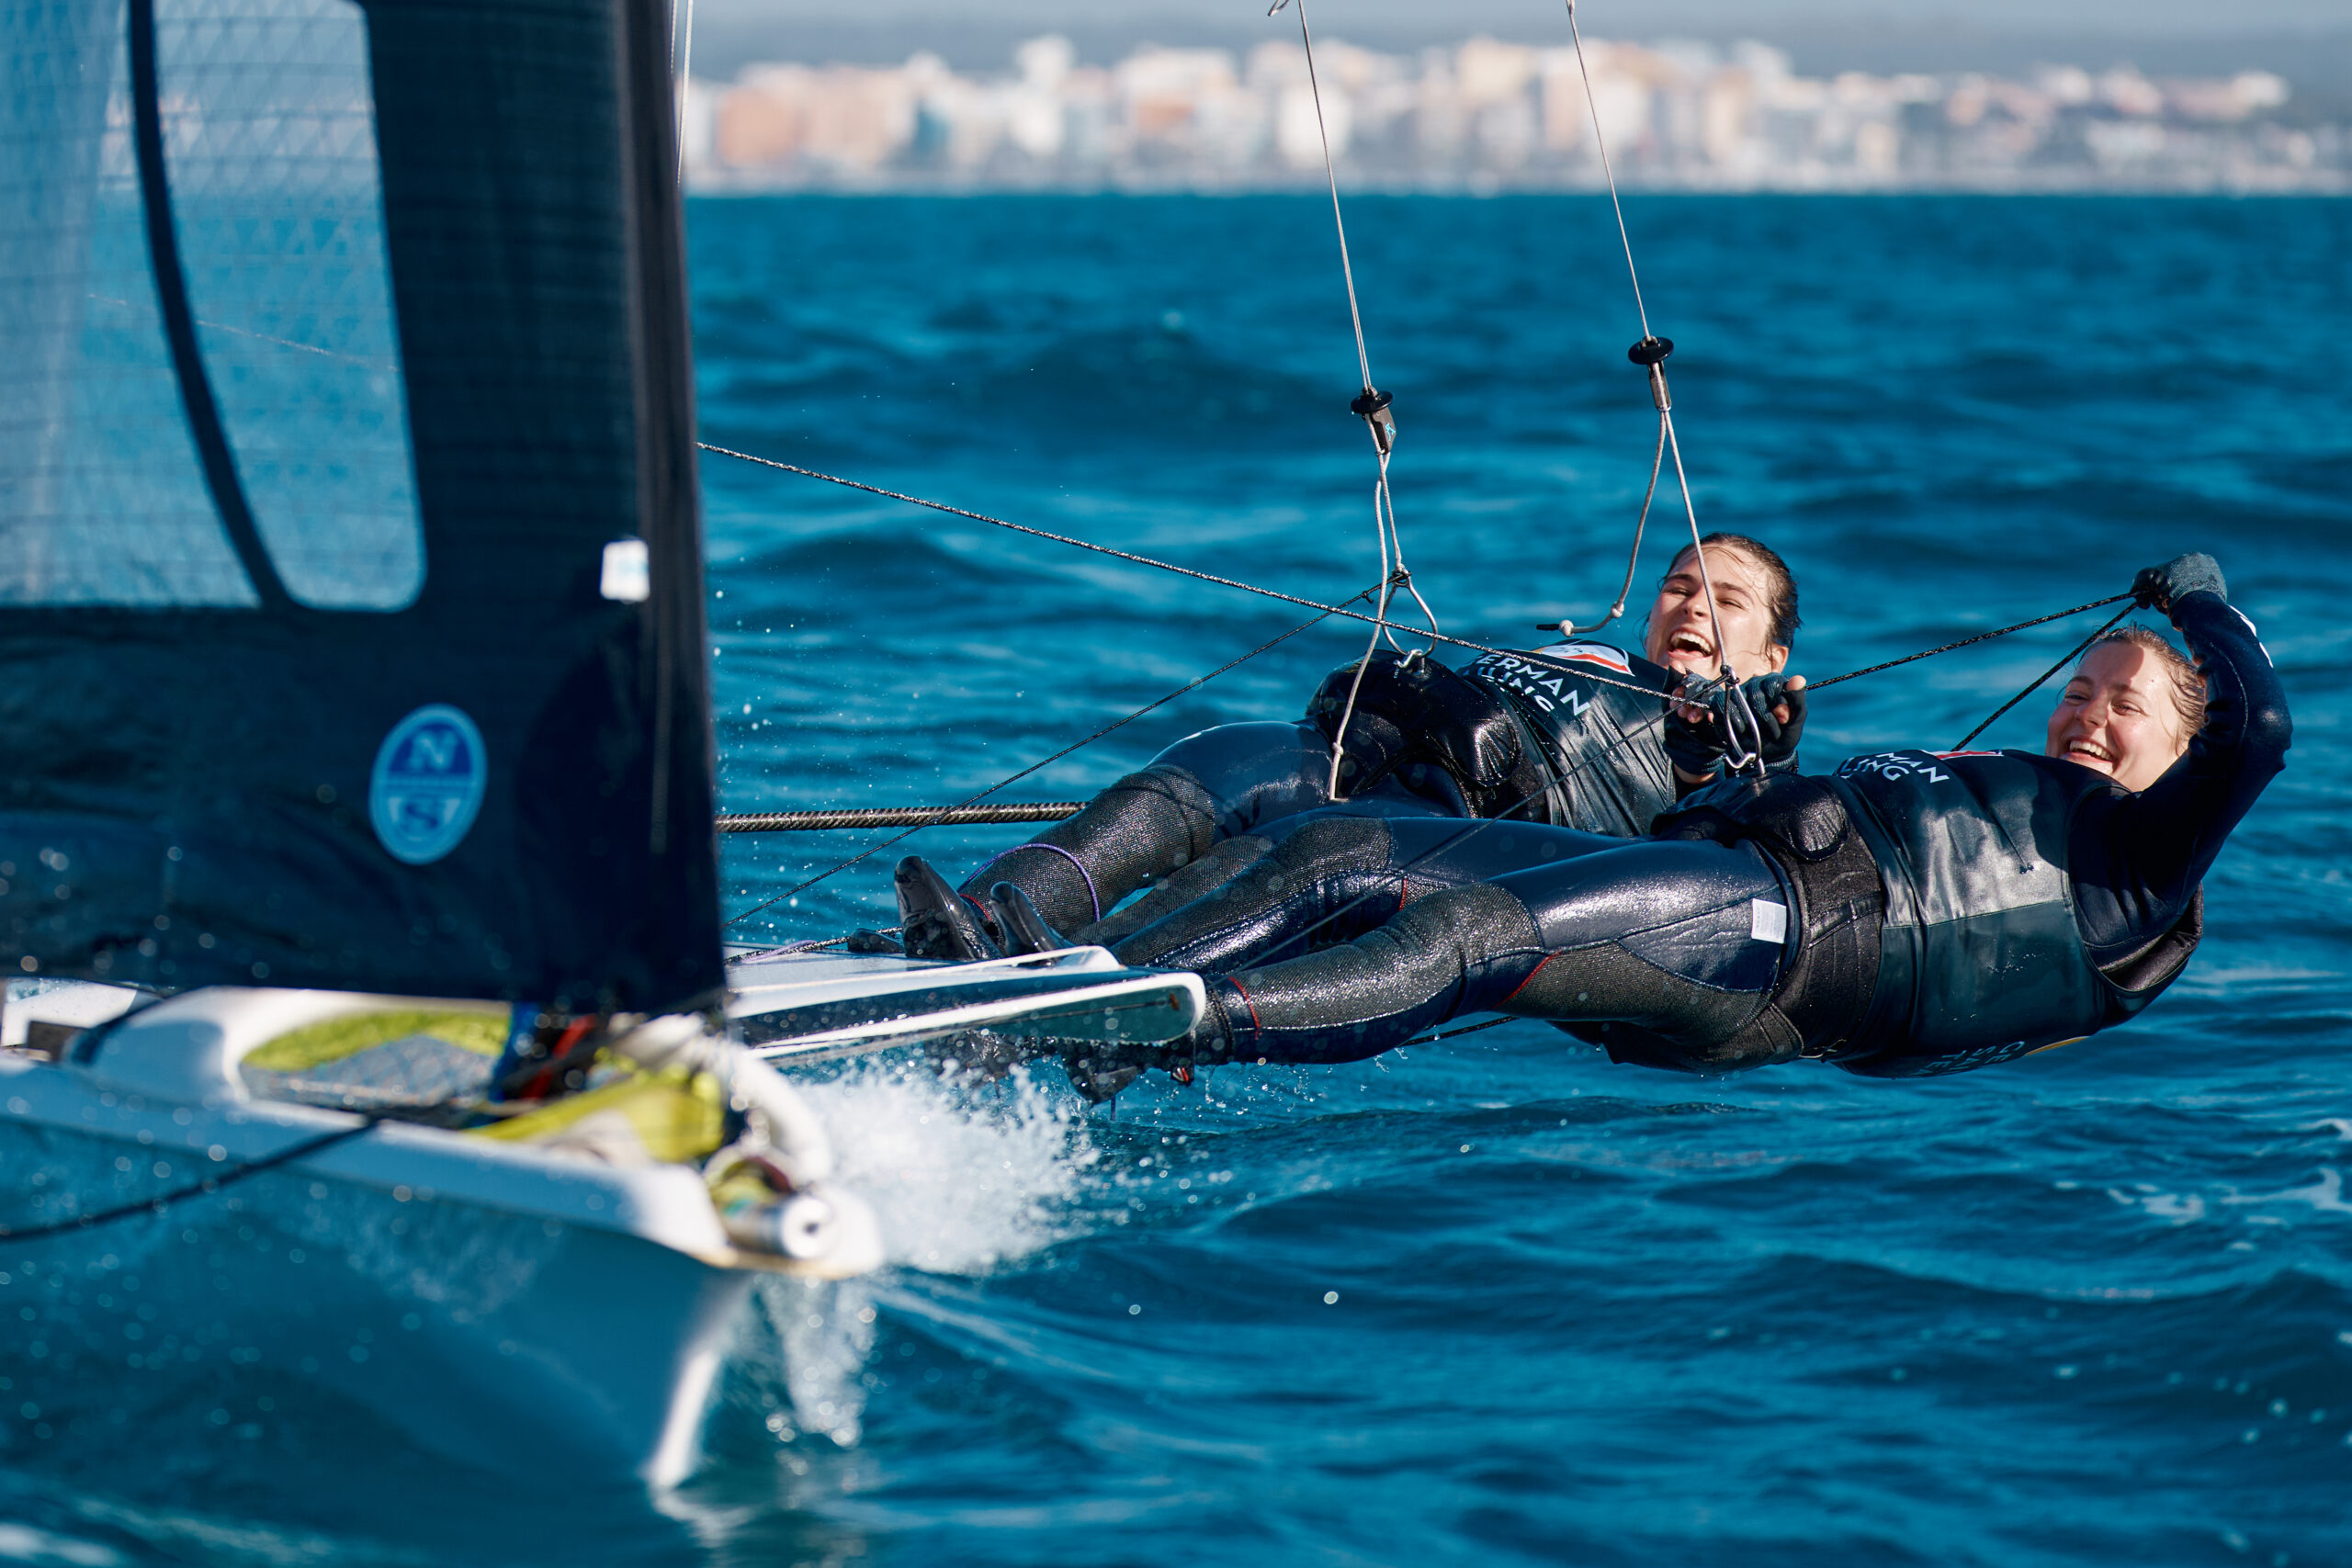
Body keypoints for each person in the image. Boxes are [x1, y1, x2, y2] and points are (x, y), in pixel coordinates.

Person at [1062, 552, 2286, 1087]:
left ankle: (1167, 1021)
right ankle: (1076, 978)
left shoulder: (2145, 864)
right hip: (1713, 882)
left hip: (1783, 948)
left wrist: (2205, 603)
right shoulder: (2026, 791)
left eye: (2123, 705)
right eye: (2081, 689)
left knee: (1472, 934)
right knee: (1337, 847)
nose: (2086, 715)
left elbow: (2265, 728)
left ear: (2182, 745)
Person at [892, 534, 1808, 962]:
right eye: (1678, 586)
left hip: (1455, 838)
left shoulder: (1738, 732)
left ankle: (1078, 970)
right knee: (1223, 757)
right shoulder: (1584, 650)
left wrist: (1755, 742)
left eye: (1725, 600)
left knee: (1290, 853)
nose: (1690, 605)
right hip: (1372, 763)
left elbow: (1736, 845)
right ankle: (973, 920)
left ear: (1772, 653)